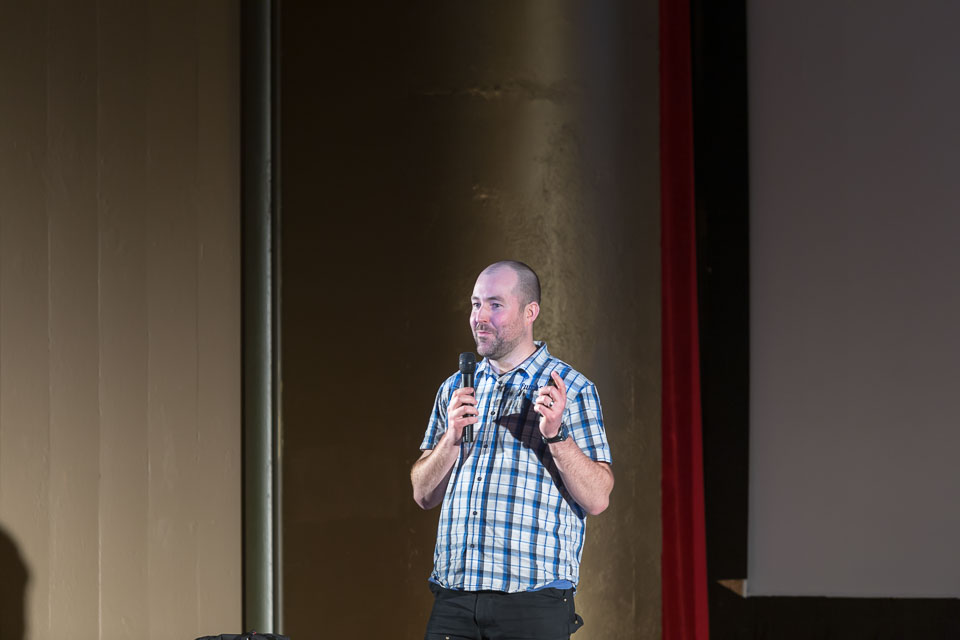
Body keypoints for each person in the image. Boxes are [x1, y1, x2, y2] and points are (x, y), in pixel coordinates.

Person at [411, 260, 614, 640]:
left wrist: (556, 435)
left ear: (529, 312)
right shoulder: (455, 388)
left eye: (495, 305)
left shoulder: (570, 388)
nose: (480, 317)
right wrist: (451, 438)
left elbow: (598, 497)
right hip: (454, 600)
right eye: (475, 305)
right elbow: (423, 494)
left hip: (532, 604)